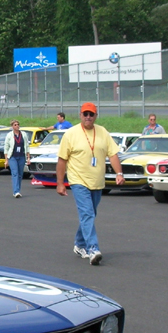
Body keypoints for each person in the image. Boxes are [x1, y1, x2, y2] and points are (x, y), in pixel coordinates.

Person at [56, 102, 124, 266]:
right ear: (80, 115)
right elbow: (62, 160)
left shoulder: (102, 132)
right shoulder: (70, 134)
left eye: (91, 114)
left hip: (97, 182)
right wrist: (60, 183)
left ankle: (80, 244)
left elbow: (113, 154)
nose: (88, 117)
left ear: (95, 116)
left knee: (90, 214)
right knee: (87, 214)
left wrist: (119, 173)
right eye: (85, 114)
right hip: (78, 181)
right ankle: (93, 248)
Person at [3, 120, 30, 198]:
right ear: (12, 126)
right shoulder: (9, 135)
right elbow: (6, 147)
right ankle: (16, 191)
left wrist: (28, 157)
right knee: (15, 173)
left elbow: (27, 146)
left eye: (18, 124)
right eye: (15, 125)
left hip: (21, 156)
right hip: (12, 157)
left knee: (20, 174)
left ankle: (18, 189)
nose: (17, 126)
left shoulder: (23, 134)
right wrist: (6, 160)